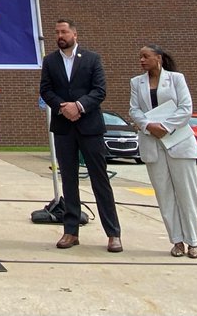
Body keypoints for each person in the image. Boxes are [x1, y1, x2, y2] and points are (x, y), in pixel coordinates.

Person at [38, 19, 123, 252]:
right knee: (69, 180)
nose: (60, 35)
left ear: (75, 34)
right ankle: (71, 231)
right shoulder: (50, 61)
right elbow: (46, 90)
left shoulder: (92, 59)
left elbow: (99, 90)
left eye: (64, 32)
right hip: (64, 128)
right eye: (57, 32)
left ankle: (113, 233)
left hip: (90, 127)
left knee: (100, 179)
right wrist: (63, 107)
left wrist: (79, 106)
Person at [128, 44, 197, 259]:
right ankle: (177, 241)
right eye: (140, 57)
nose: (142, 60)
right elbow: (134, 109)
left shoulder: (176, 79)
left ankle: (193, 241)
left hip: (178, 142)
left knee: (186, 193)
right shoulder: (136, 82)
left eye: (146, 56)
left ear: (158, 58)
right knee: (164, 195)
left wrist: (166, 127)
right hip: (152, 143)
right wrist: (148, 126)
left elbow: (185, 108)